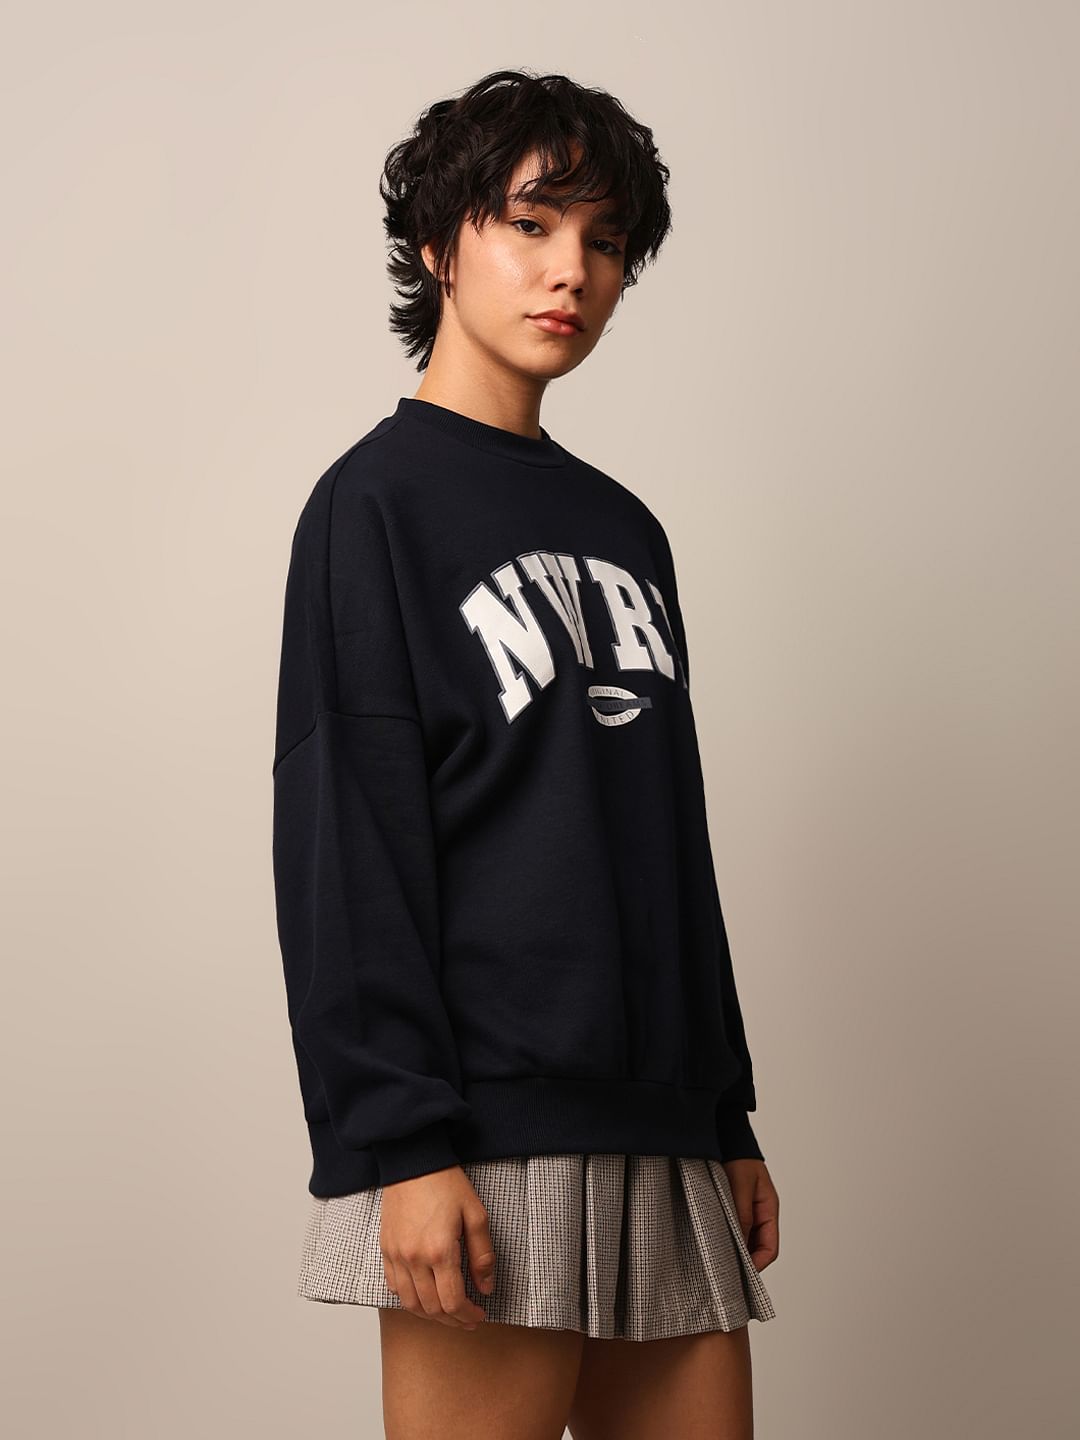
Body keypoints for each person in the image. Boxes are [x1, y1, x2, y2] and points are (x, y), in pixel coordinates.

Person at [272, 67, 780, 1440]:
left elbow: (665, 837)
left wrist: (726, 1116)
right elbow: (347, 840)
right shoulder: (372, 508)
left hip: (665, 1124)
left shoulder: (629, 530)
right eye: (533, 224)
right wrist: (402, 1144)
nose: (573, 272)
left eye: (605, 242)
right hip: (489, 1132)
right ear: (439, 242)